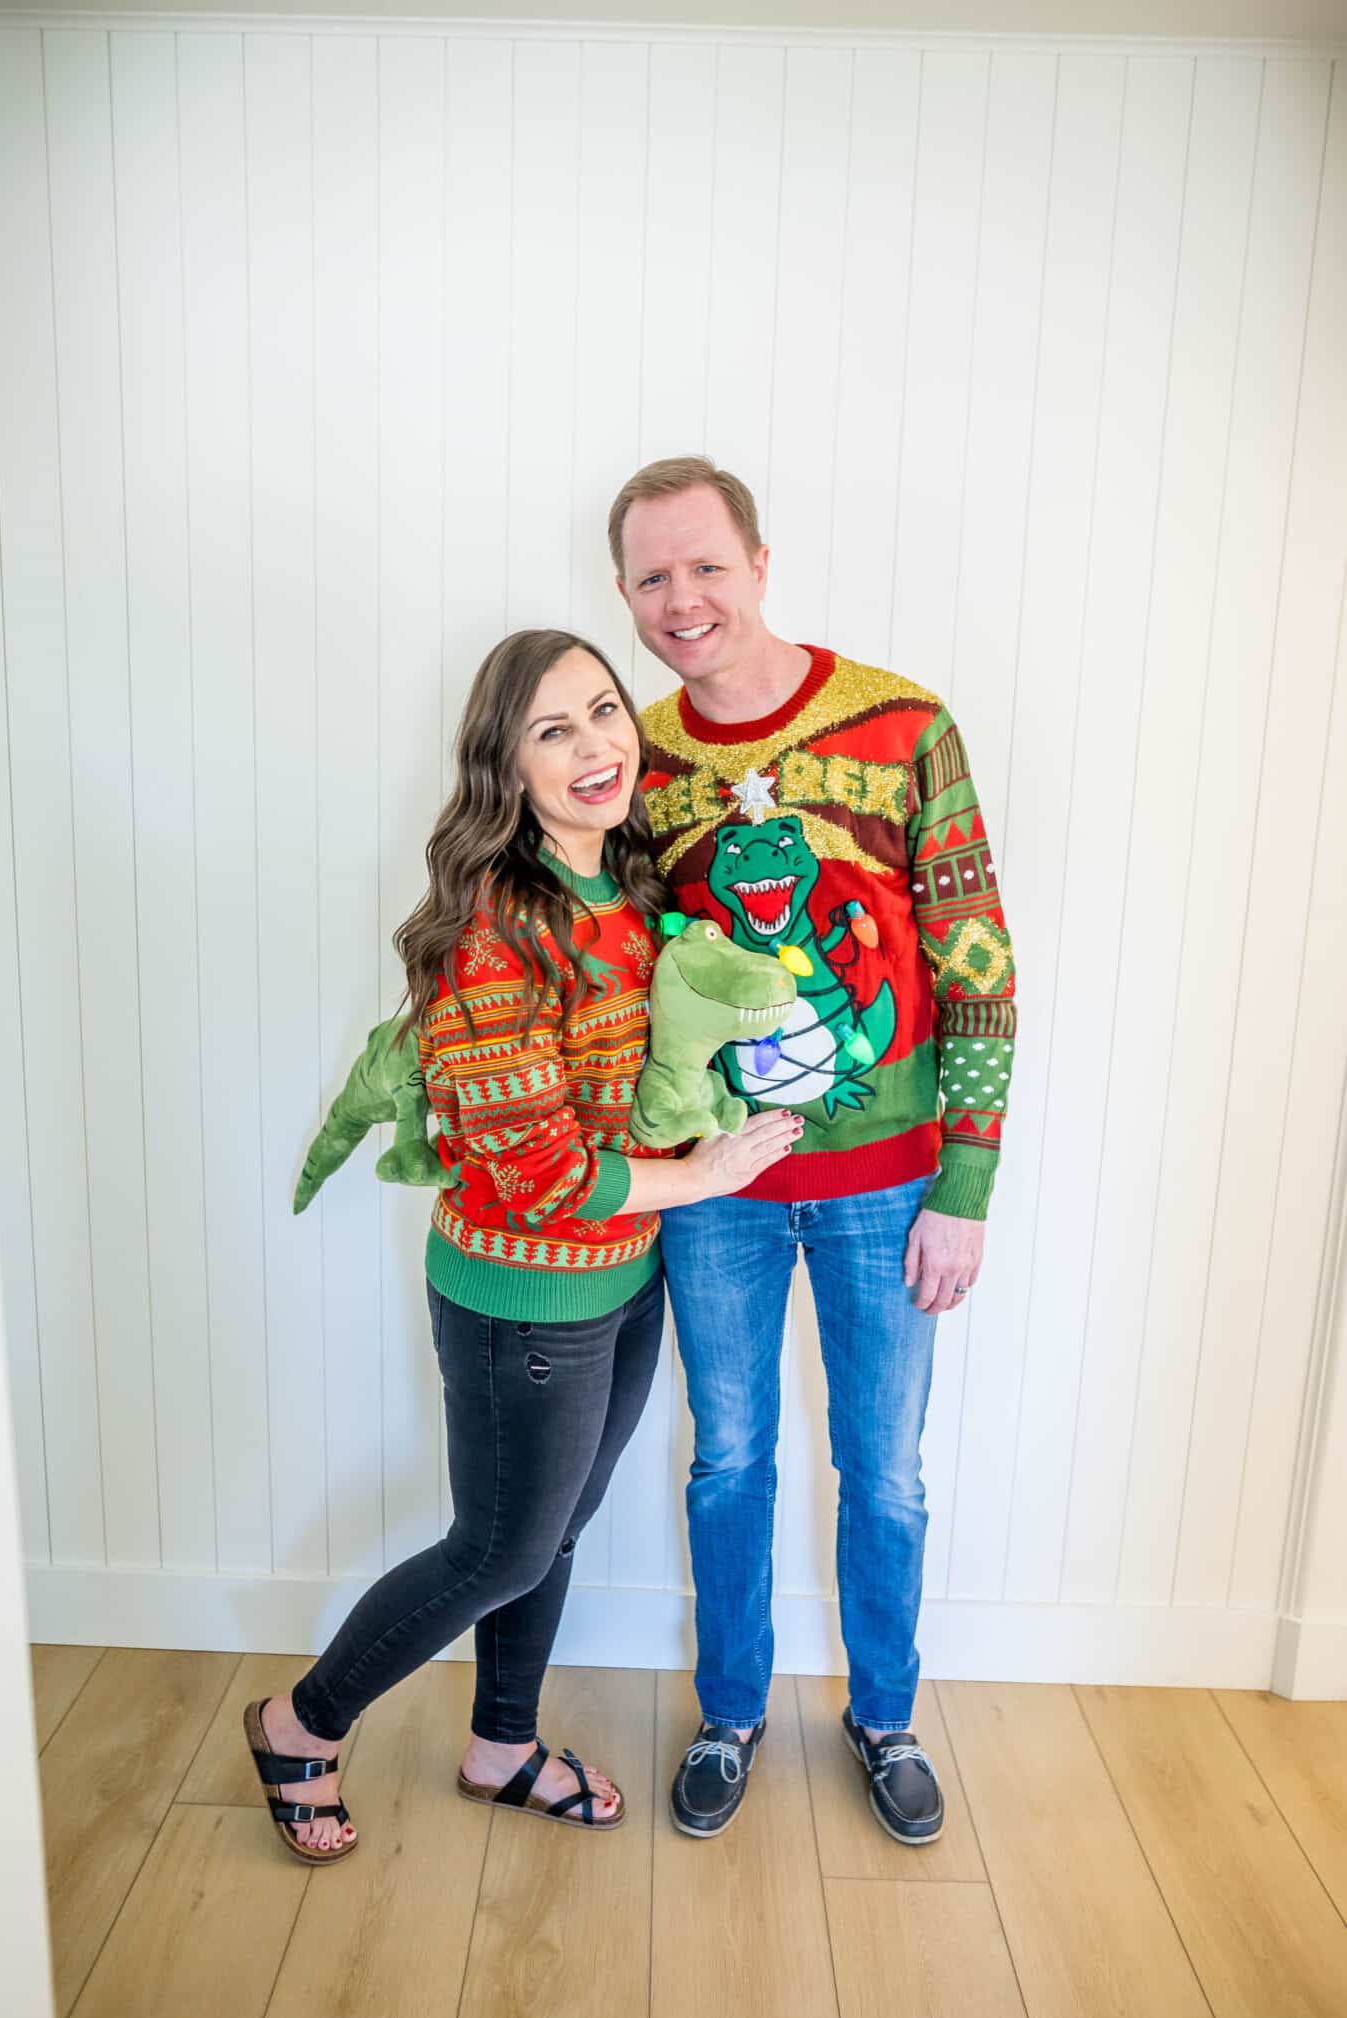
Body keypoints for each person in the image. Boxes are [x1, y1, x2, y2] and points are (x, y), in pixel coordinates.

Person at [244, 627, 800, 1862]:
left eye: (605, 710)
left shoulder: (634, 887)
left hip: (626, 1274)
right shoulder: (499, 920)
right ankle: (300, 1721)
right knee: (495, 1547)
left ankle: (501, 1744)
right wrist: (699, 1173)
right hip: (522, 1300)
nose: (596, 744)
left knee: (547, 1535)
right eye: (555, 729)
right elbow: (530, 1165)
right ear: (507, 763)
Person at [609, 457, 1018, 1844]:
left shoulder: (903, 726)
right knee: (728, 1460)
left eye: (705, 565)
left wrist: (962, 1186)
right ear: (622, 593)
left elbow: (977, 964)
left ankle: (885, 1714)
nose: (681, 598)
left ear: (761, 563)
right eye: (652, 576)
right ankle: (730, 1712)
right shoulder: (639, 760)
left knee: (884, 1469)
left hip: (888, 1184)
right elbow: (623, 978)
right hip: (714, 1194)